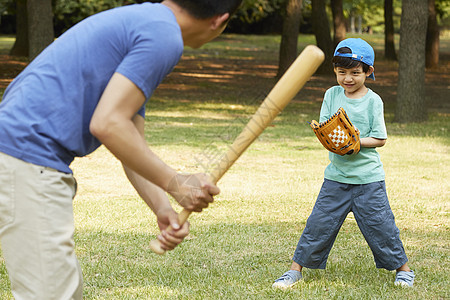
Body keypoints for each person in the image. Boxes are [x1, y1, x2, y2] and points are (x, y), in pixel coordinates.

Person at [0, 0, 243, 298]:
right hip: (24, 156)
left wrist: (163, 208)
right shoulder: (164, 36)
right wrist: (176, 182)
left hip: (18, 155)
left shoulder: (146, 22)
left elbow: (129, 143)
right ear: (220, 20)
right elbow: (107, 124)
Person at [272, 38, 415, 289]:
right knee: (318, 224)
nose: (347, 78)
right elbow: (328, 128)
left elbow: (380, 139)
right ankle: (294, 271)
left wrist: (356, 142)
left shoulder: (373, 100)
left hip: (368, 180)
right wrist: (330, 139)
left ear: (368, 72)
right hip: (336, 178)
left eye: (355, 73)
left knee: (381, 226)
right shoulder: (331, 94)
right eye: (342, 72)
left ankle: (404, 270)